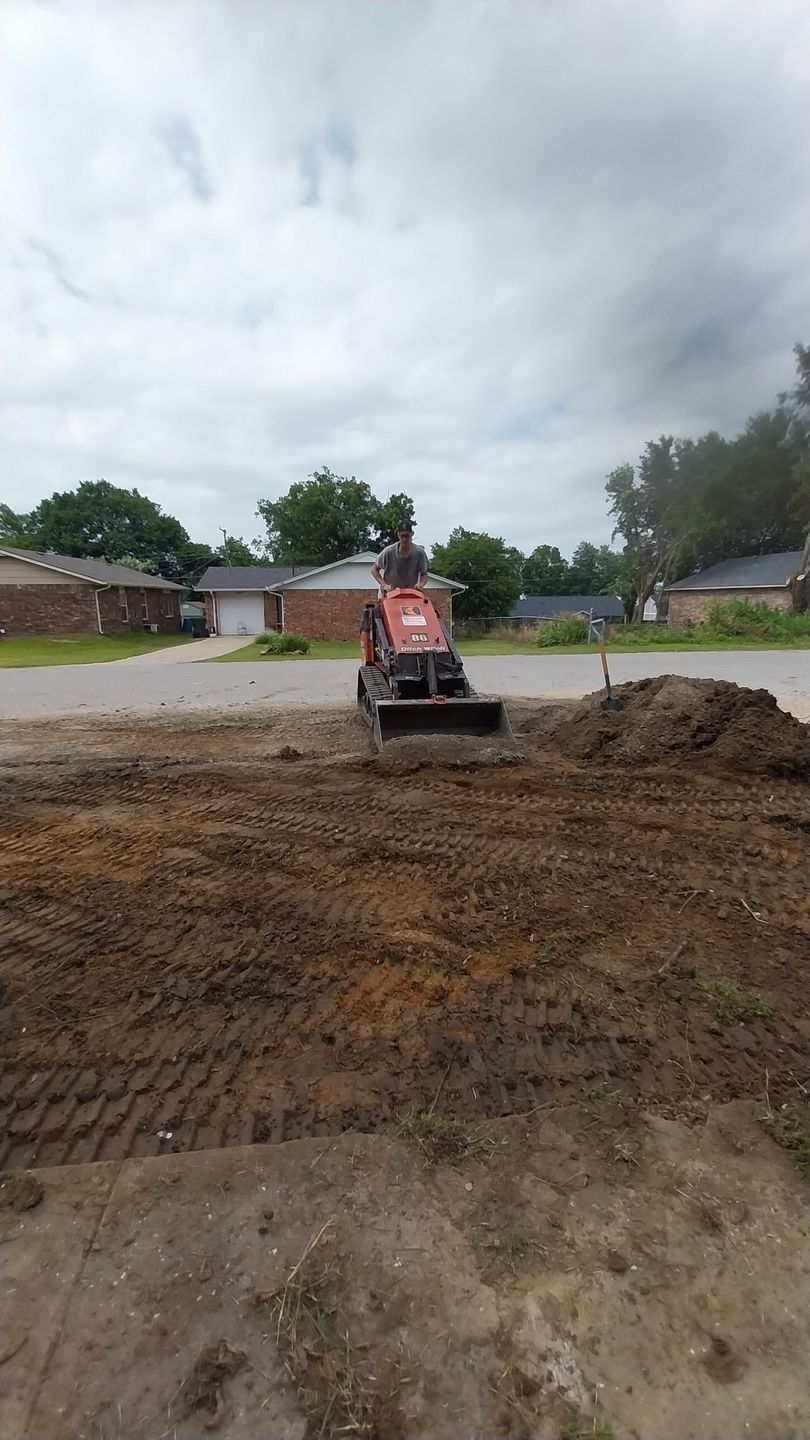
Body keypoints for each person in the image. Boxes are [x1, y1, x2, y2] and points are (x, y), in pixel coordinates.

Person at [371, 521, 429, 595]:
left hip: (410, 594)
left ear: (412, 534)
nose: (405, 539)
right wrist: (384, 585)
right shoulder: (388, 552)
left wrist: (421, 584)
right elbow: (374, 570)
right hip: (389, 594)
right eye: (402, 536)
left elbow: (424, 574)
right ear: (398, 535)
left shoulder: (419, 553)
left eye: (407, 536)